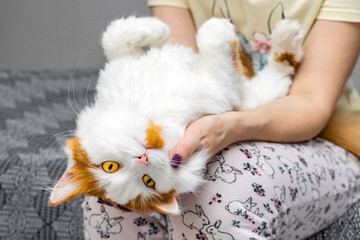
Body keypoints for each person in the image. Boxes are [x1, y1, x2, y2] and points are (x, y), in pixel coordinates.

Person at [83, 1, 360, 239]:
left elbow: (310, 101)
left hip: (322, 134)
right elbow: (183, 66)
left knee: (220, 196)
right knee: (105, 202)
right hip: (217, 105)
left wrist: (227, 127)